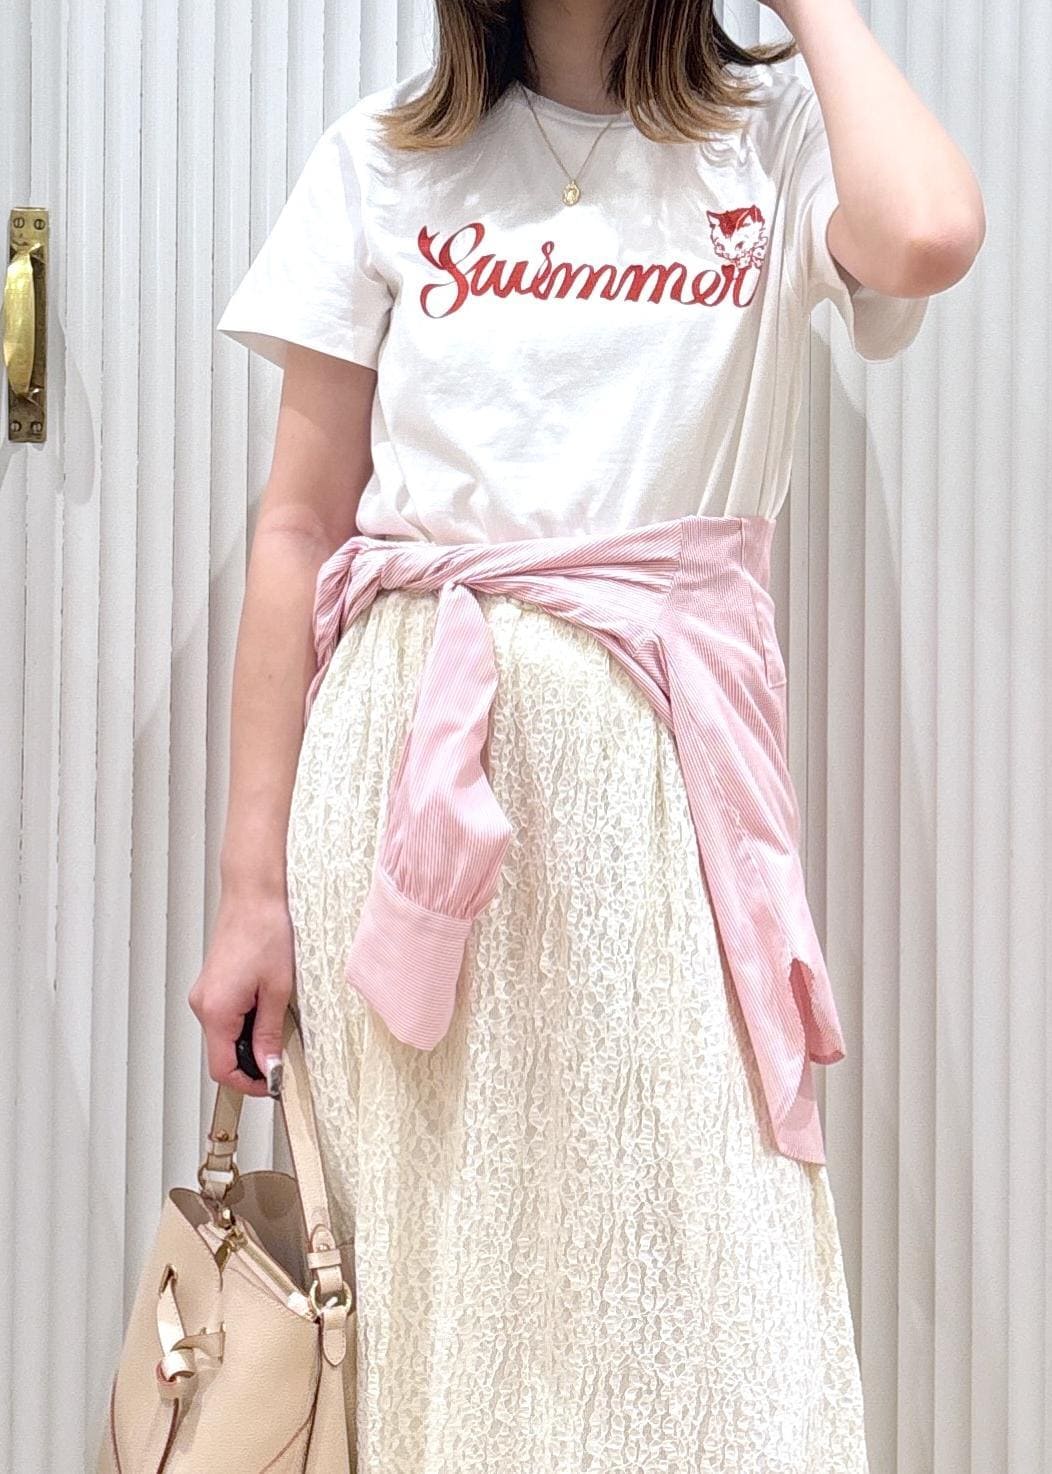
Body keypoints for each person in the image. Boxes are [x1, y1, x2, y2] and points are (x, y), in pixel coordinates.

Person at [196, 0, 984, 1469]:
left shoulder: (774, 137)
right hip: (406, 786)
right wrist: (250, 894)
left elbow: (929, 234)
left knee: (694, 1282)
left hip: (656, 794)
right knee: (442, 1295)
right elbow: (298, 529)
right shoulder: (384, 158)